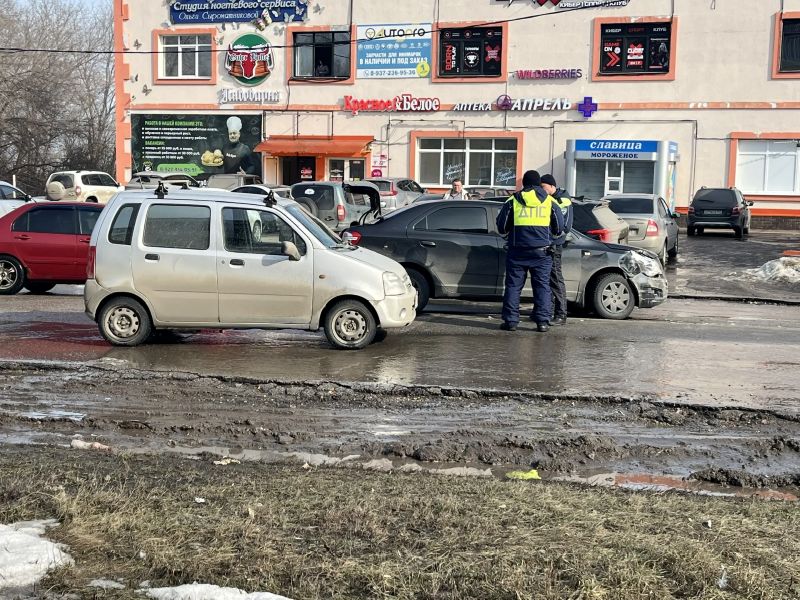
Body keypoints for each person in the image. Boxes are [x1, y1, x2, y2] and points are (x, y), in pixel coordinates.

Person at [496, 170, 564, 333]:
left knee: (513, 286)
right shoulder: (549, 201)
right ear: (538, 183)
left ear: (524, 183)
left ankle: (511, 322)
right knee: (542, 287)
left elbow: (501, 226)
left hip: (517, 251)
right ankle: (542, 322)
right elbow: (559, 228)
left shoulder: (513, 200)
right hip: (542, 253)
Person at [540, 174, 573, 326]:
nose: (542, 190)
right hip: (547, 243)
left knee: (555, 278)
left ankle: (561, 314)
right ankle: (548, 312)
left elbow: (563, 226)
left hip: (554, 244)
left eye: (544, 187)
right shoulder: (552, 198)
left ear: (552, 186)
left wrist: (550, 238)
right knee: (546, 279)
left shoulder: (562, 200)